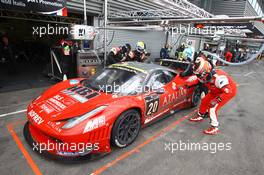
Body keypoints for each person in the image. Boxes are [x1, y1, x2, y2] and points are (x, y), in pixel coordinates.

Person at [189, 57, 237, 135]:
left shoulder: (219, 78)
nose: (199, 76)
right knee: (204, 100)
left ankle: (214, 127)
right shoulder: (204, 74)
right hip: (216, 89)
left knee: (212, 107)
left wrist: (216, 100)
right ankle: (201, 115)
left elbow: (228, 92)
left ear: (205, 72)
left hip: (227, 91)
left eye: (199, 74)